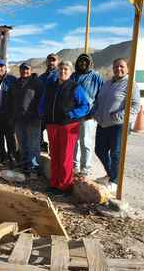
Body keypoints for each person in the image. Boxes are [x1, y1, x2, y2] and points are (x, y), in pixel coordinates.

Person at [39, 61, 89, 195]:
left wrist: (73, 114)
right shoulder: (51, 86)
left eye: (66, 69)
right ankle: (55, 183)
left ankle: (65, 186)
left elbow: (85, 105)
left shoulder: (75, 87)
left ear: (71, 71)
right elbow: (43, 102)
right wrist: (42, 112)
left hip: (68, 125)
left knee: (65, 156)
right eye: (61, 69)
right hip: (52, 125)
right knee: (54, 155)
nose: (63, 71)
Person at [93, 58, 140, 193]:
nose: (118, 69)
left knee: (115, 153)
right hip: (103, 123)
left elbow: (135, 106)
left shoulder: (131, 84)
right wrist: (95, 113)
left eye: (121, 66)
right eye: (115, 67)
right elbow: (99, 100)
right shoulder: (107, 83)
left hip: (119, 125)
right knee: (99, 150)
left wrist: (119, 116)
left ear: (127, 69)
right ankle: (111, 174)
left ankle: (114, 181)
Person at [71, 54, 104, 177]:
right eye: (80, 61)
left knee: (85, 142)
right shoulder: (73, 76)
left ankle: (86, 168)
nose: (83, 63)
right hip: (74, 115)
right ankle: (75, 165)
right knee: (74, 142)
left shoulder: (96, 77)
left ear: (90, 63)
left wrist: (94, 112)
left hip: (88, 116)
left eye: (85, 61)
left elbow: (101, 96)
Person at [9, 63, 43, 174]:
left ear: (31, 70)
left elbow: (42, 100)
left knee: (33, 144)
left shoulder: (37, 83)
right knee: (22, 144)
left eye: (27, 69)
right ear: (20, 70)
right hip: (19, 119)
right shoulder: (16, 83)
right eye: (23, 69)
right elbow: (11, 99)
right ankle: (24, 165)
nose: (25, 71)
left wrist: (38, 114)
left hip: (33, 119)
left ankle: (34, 167)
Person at [38, 53, 60, 152]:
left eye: (53, 60)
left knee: (54, 136)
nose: (51, 62)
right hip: (43, 110)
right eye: (49, 60)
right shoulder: (42, 77)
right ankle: (42, 147)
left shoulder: (60, 75)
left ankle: (54, 155)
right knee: (39, 131)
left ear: (57, 62)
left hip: (55, 111)